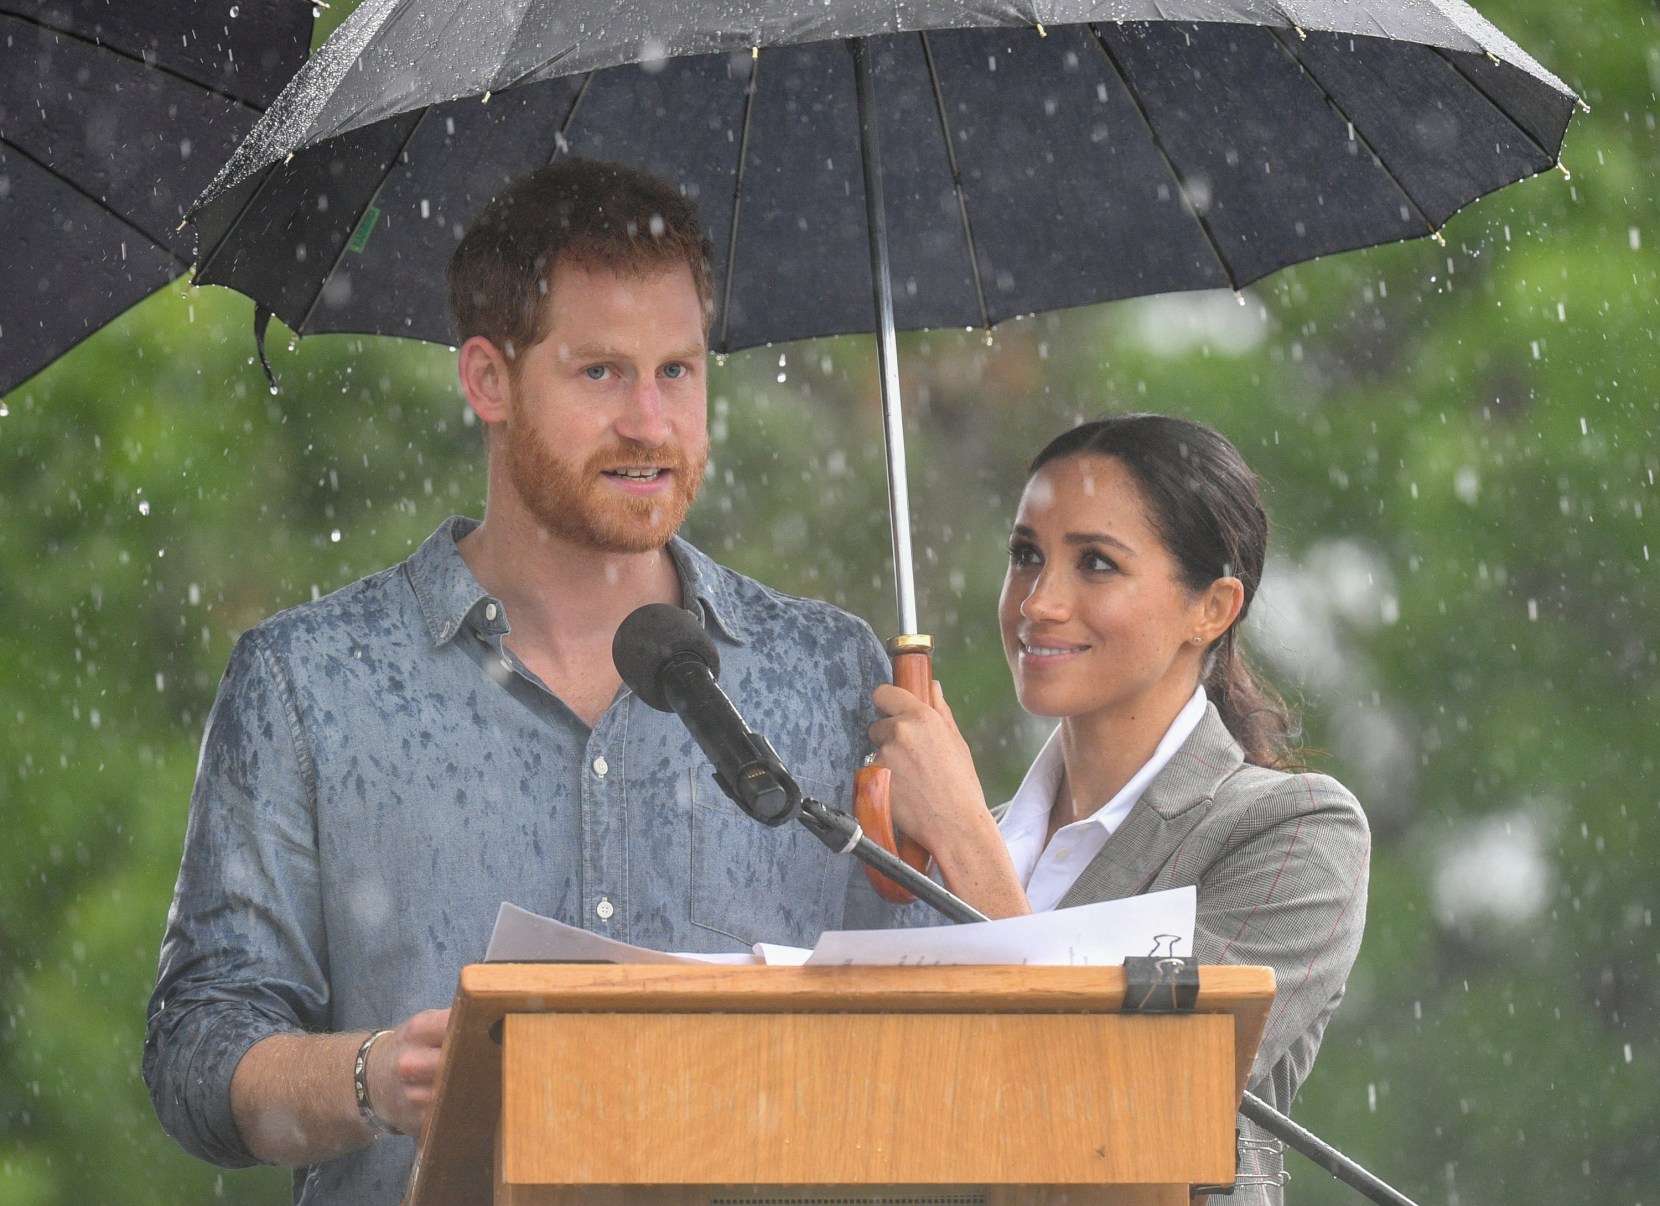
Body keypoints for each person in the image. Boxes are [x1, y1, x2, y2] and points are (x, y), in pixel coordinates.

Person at [143, 159, 894, 1204]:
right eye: (602, 373)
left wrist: (963, 841)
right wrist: (373, 1079)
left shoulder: (831, 672)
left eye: (678, 371)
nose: (651, 422)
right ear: (487, 381)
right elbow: (196, 1053)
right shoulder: (308, 683)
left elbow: (939, 1043)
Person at [869, 414, 1369, 1203]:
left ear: (1212, 608)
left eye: (1096, 563)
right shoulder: (954, 844)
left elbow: (1127, 1103)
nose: (1039, 602)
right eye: (1026, 556)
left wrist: (963, 841)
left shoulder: (1297, 832)